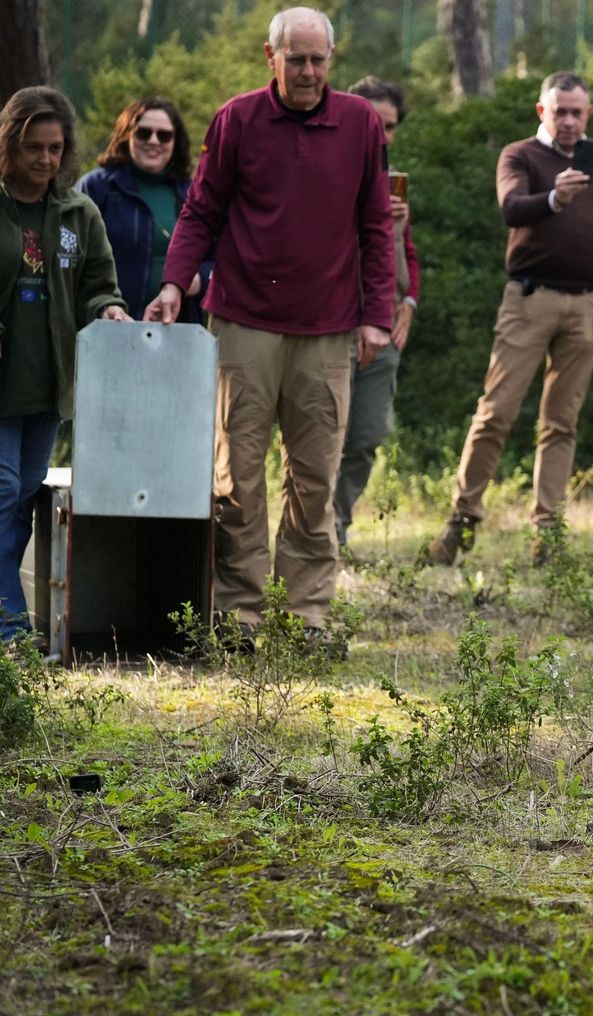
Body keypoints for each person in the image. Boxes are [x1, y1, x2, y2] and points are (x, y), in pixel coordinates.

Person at [145, 6, 394, 643]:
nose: (308, 71)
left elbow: (376, 228)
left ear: (330, 61)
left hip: (329, 326)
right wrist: (175, 283)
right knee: (238, 475)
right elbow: (201, 210)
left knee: (315, 477)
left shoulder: (361, 124)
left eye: (318, 60)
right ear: (270, 57)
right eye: (296, 59)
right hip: (244, 319)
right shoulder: (237, 119)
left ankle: (307, 614)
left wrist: (377, 317)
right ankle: (238, 614)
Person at [428, 71, 593, 566]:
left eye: (576, 112)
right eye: (558, 111)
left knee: (561, 423)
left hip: (587, 305)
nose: (567, 120)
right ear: (541, 111)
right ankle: (462, 521)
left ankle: (547, 535)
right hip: (529, 299)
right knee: (496, 412)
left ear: (589, 114)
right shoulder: (520, 155)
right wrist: (554, 198)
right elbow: (511, 208)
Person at [1, 87, 131, 641]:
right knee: (3, 490)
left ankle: (7, 615)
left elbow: (99, 284)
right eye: (34, 147)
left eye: (55, 148)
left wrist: (111, 308)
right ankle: (9, 627)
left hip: (48, 382)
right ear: (10, 145)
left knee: (23, 498)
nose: (46, 160)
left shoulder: (80, 212)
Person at [335, 76, 420, 551]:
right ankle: (308, 538)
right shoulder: (326, 171)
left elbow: (410, 255)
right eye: (371, 121)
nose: (379, 134)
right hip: (330, 324)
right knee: (321, 438)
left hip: (382, 327)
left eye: (388, 126)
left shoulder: (393, 181)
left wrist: (409, 303)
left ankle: (336, 527)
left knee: (366, 436)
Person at [76, 97, 209, 323]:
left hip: (177, 330)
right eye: (143, 133)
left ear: (176, 142)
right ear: (127, 135)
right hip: (110, 326)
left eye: (164, 135)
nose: (153, 141)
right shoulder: (96, 188)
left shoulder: (194, 194)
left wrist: (200, 279)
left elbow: (220, 258)